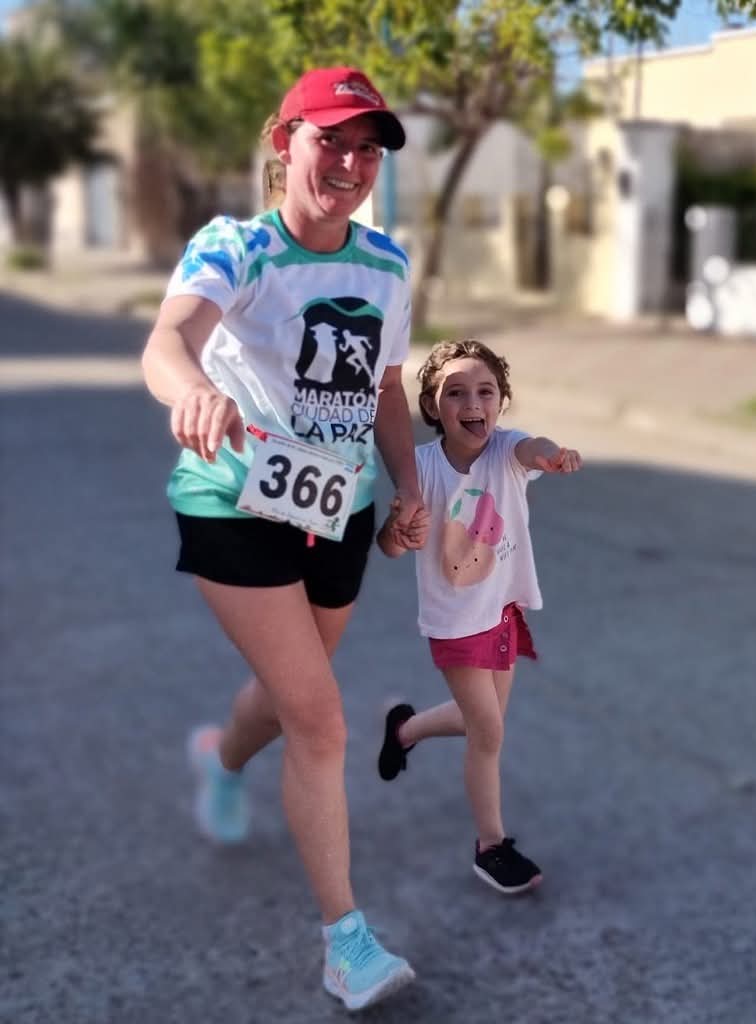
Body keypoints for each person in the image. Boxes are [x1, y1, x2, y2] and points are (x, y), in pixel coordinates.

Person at [140, 66, 429, 1012]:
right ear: (284, 143)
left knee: (285, 692)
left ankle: (216, 760)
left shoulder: (386, 264)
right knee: (321, 718)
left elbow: (385, 388)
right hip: (232, 498)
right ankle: (346, 943)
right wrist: (194, 392)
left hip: (335, 508)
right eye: (329, 140)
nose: (348, 162)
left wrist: (410, 487)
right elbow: (169, 339)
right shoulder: (238, 247)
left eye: (367, 146)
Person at [375, 339, 582, 895]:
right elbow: (392, 546)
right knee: (487, 731)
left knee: (479, 722)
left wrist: (551, 453)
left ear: (501, 402)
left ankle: (406, 728)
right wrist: (397, 532)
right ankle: (490, 847)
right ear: (433, 406)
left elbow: (531, 448)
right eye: (455, 392)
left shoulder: (507, 451)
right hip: (454, 622)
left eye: (485, 391)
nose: (473, 401)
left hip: (501, 612)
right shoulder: (417, 469)